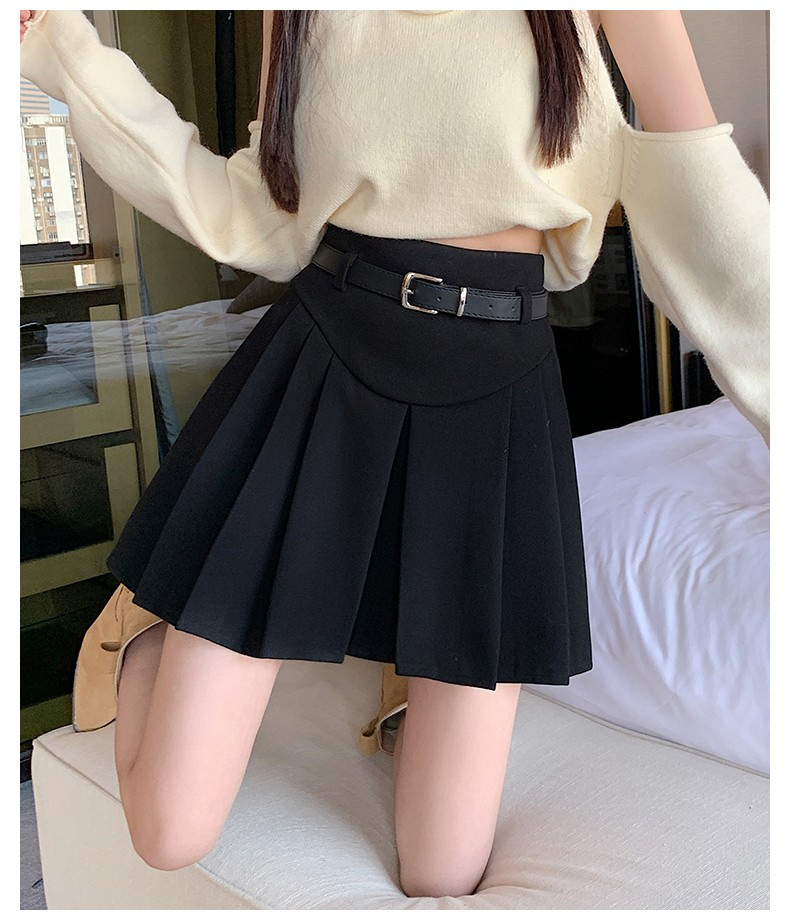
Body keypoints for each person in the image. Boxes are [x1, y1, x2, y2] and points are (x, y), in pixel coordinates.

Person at [19, 9, 769, 899]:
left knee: (442, 869)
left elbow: (704, 203)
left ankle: (383, 651)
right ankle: (152, 634)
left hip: (499, 391)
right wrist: (67, 52)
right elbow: (258, 216)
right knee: (170, 833)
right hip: (327, 360)